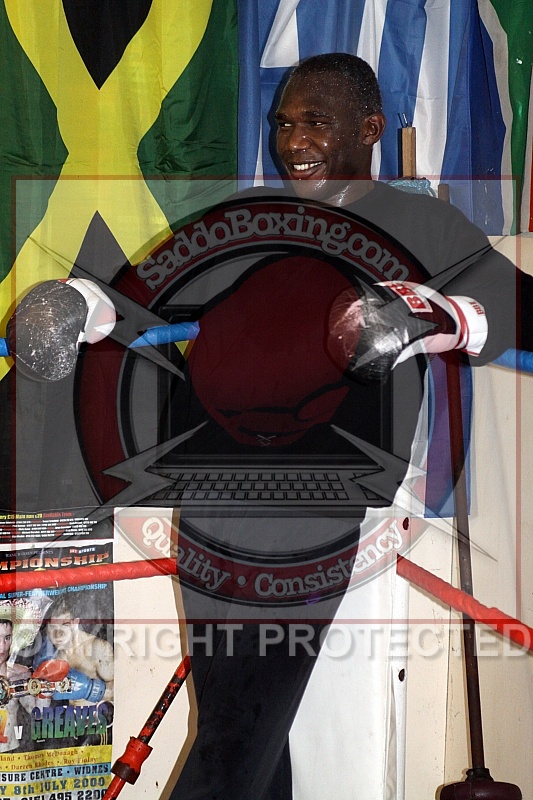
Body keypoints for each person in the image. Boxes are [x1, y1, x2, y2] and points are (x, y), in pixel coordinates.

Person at [5, 53, 532, 797]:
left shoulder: (420, 223)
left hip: (310, 499)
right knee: (241, 720)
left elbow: (518, 305)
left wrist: (436, 312)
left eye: (315, 121)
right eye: (284, 123)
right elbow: (139, 296)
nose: (294, 140)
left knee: (234, 739)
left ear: (370, 129)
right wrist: (76, 303)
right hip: (208, 489)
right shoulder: (247, 221)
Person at [0, 619, 49, 752]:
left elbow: (38, 713)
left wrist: (46, 687)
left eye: (7, 638)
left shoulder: (19, 674)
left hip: (11, 755)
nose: (2, 646)